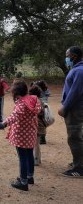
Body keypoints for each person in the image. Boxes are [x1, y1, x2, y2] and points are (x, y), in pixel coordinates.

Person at [2, 80, 41, 191]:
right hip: (31, 133)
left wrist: (3, 124)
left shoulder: (21, 104)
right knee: (29, 154)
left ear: (16, 93)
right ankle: (30, 177)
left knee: (22, 157)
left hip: (21, 135)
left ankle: (23, 182)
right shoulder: (33, 99)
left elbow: (14, 116)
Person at [58, 46, 83, 177]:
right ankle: (79, 162)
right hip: (75, 108)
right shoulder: (76, 69)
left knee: (74, 137)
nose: (66, 58)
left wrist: (65, 107)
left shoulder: (79, 71)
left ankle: (79, 168)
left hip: (75, 109)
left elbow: (75, 93)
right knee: (77, 136)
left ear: (74, 55)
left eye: (67, 55)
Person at [28, 85, 45, 166]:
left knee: (35, 143)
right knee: (36, 142)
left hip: (36, 125)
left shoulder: (35, 101)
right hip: (40, 125)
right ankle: (38, 159)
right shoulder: (41, 101)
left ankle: (36, 160)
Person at [34, 80, 51, 144]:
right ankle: (43, 137)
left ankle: (41, 138)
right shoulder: (46, 91)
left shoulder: (39, 92)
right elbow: (48, 94)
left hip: (40, 108)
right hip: (46, 108)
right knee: (43, 123)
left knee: (39, 123)